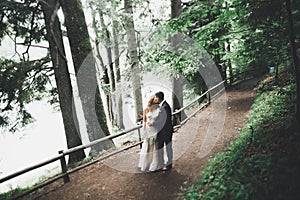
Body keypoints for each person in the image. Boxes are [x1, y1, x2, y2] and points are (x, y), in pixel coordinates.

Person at [148, 91, 173, 171]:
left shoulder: (165, 107)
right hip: (162, 131)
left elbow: (163, 121)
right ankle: (161, 164)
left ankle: (168, 164)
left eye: (155, 97)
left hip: (165, 131)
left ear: (158, 98)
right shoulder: (162, 106)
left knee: (167, 148)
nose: (154, 99)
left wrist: (153, 123)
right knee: (160, 148)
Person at [138, 96, 162, 172]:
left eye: (156, 101)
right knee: (147, 147)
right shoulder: (146, 110)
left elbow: (160, 120)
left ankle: (154, 164)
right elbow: (144, 122)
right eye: (154, 101)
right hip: (148, 130)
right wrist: (144, 131)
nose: (156, 102)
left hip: (155, 129)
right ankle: (145, 164)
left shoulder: (158, 109)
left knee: (155, 147)